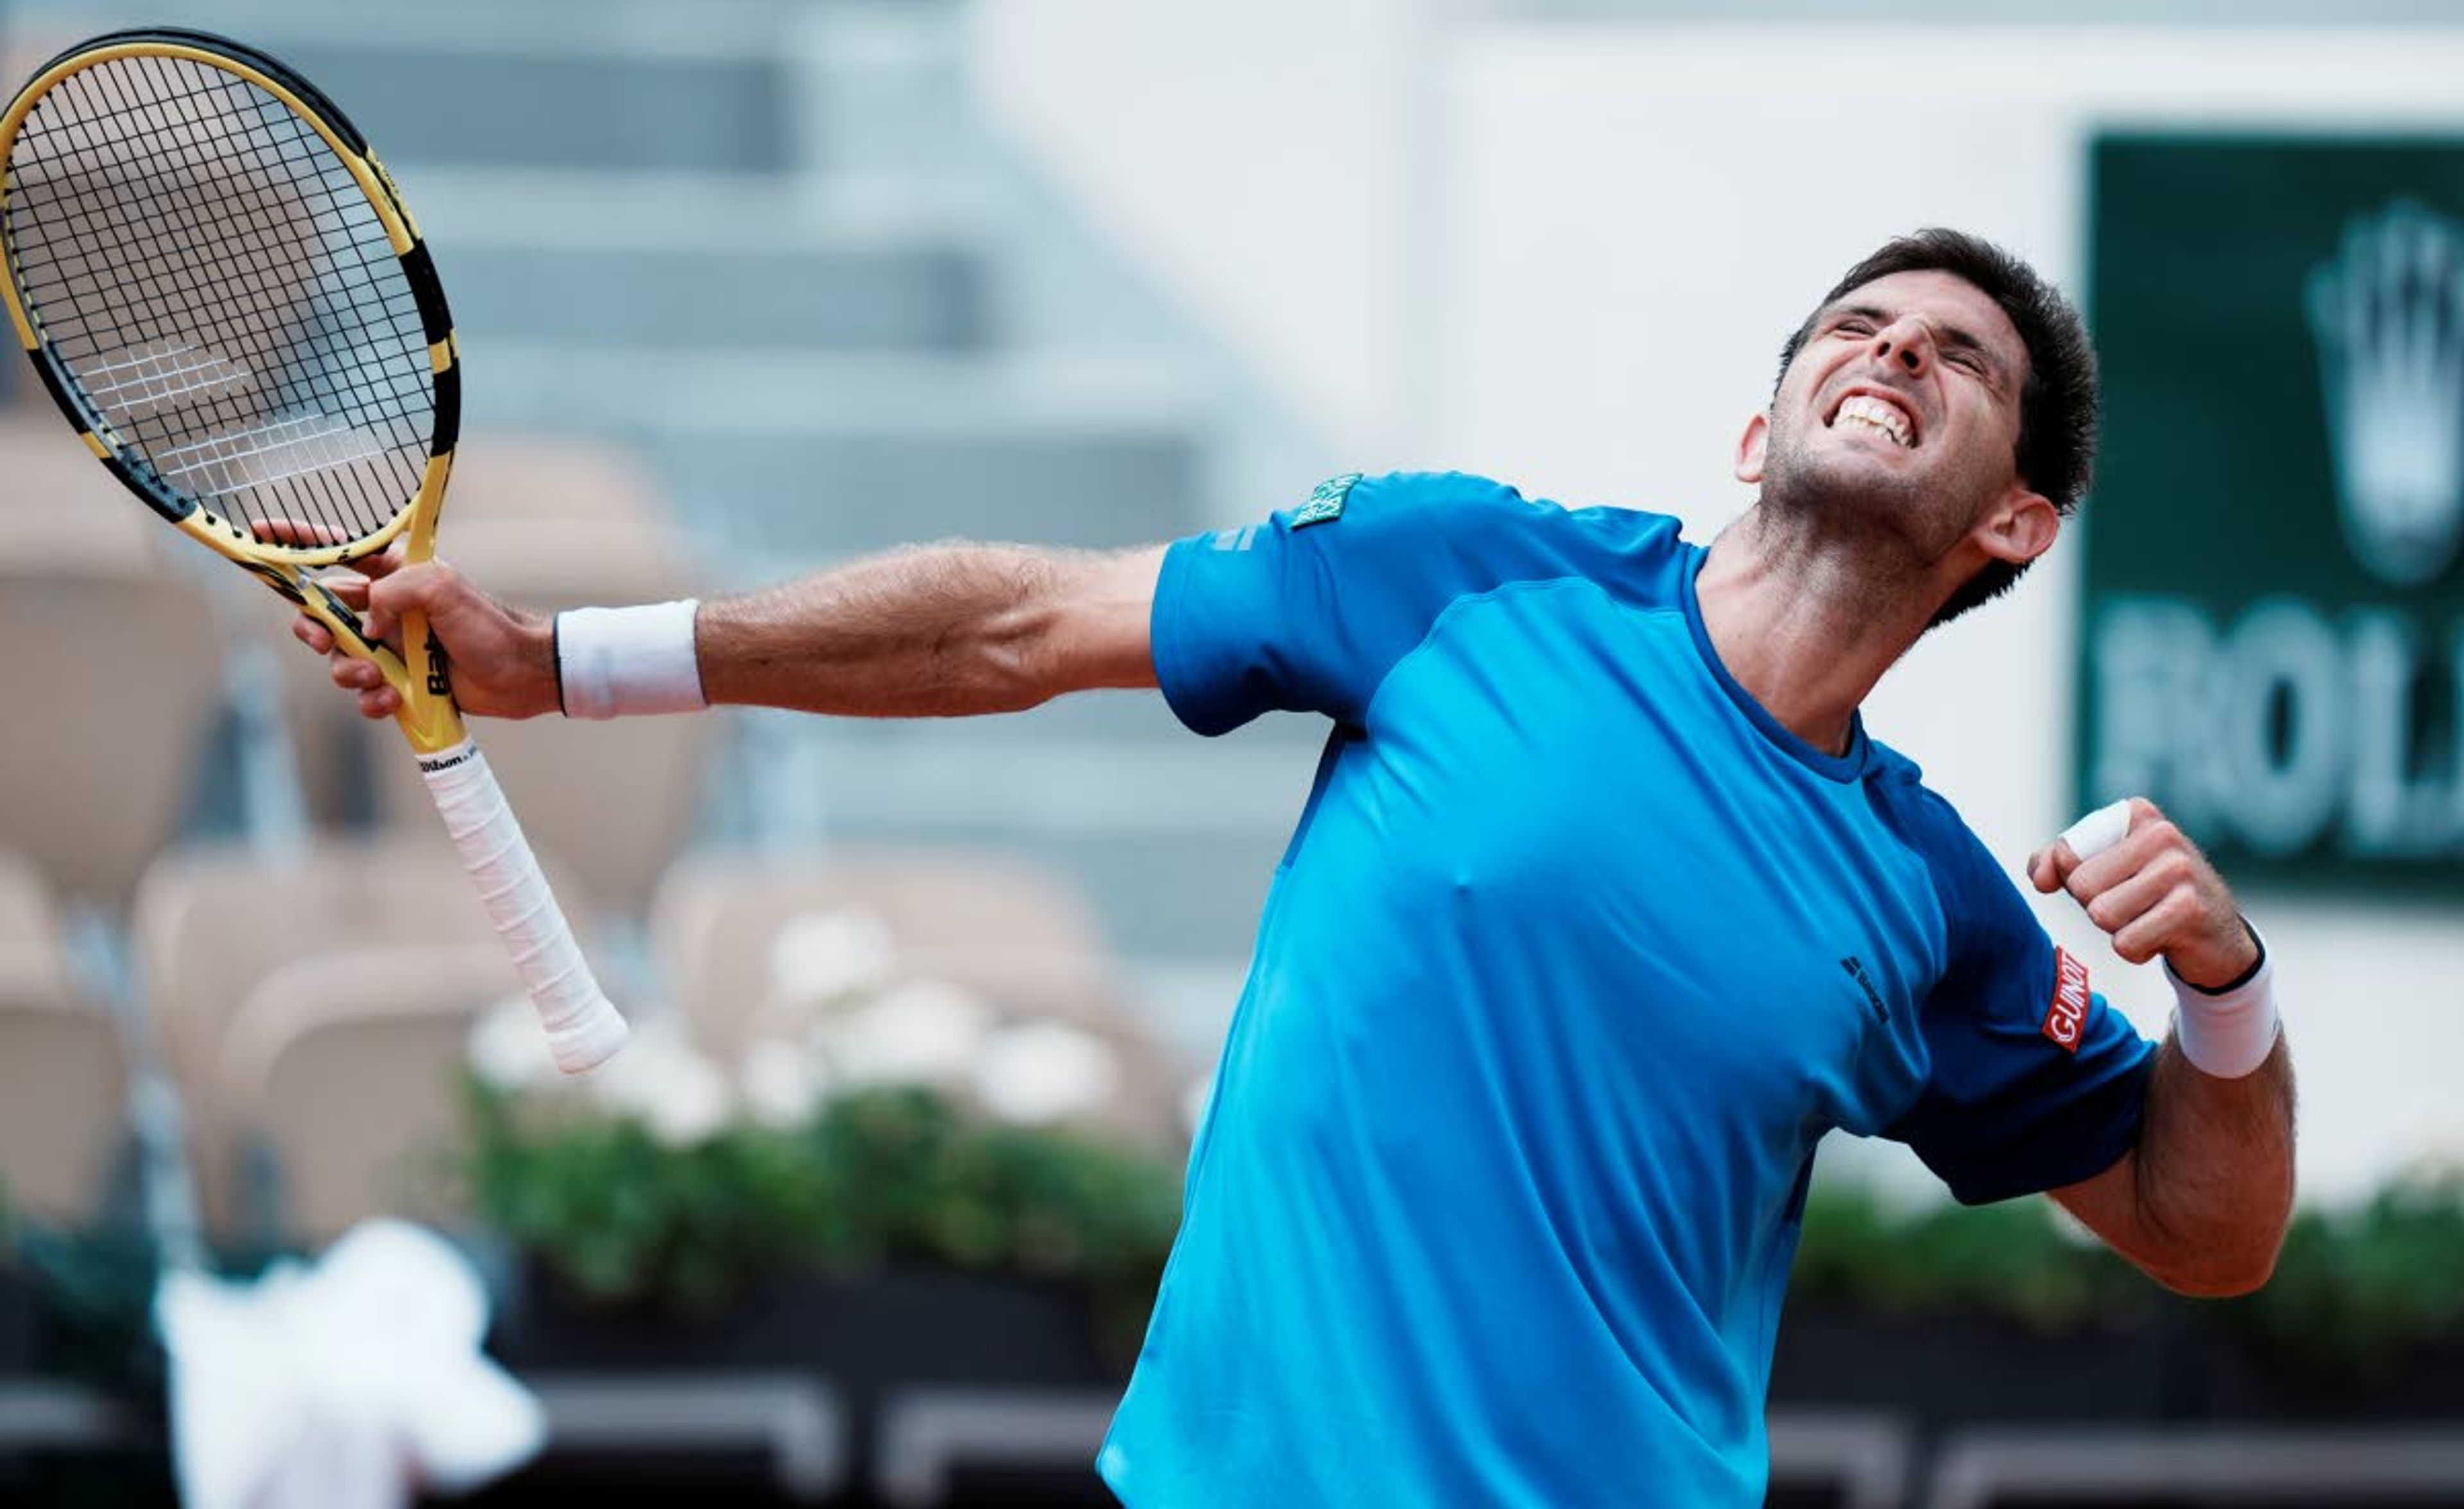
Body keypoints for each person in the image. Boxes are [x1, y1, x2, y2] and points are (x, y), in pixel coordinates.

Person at [295, 229, 2296, 1506]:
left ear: (2016, 525)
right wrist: (569, 664)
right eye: (1852, 324)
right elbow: (1017, 622)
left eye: (1957, 355)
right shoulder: (1464, 572)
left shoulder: (1930, 899)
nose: (1892, 349)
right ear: (1756, 426)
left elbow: (2199, 1231)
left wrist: (2229, 997)